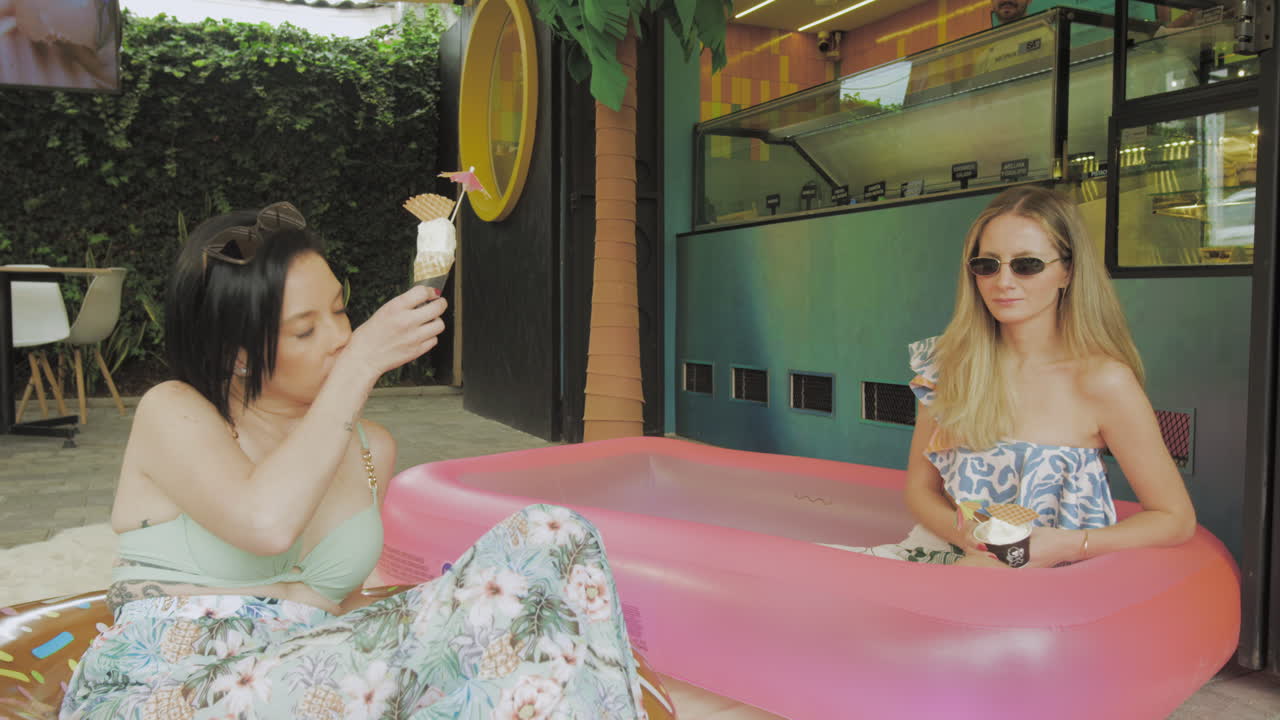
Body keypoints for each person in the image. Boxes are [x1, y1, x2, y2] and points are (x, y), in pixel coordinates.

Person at [60, 203, 646, 719]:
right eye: (305, 330)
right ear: (237, 356)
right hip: (175, 684)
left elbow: (341, 614)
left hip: (319, 677)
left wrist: (448, 610)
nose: (341, 336)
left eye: (340, 311)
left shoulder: (372, 448)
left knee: (555, 535)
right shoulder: (176, 412)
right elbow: (266, 523)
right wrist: (361, 365)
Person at [829, 186, 1197, 567]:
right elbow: (920, 491)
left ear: (1067, 271)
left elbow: (1175, 518)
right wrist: (974, 540)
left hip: (1052, 583)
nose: (1003, 282)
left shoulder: (1103, 382)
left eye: (1027, 265)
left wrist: (1068, 545)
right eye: (987, 264)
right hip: (947, 562)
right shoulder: (949, 366)